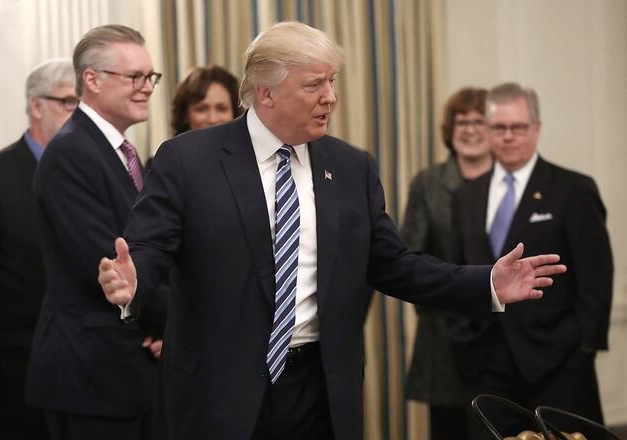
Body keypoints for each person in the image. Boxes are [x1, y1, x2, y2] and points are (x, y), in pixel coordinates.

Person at [98, 22, 566, 440]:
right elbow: (151, 245)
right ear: (266, 93)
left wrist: (483, 282)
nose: (331, 97)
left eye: (333, 81)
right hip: (218, 389)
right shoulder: (189, 159)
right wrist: (133, 279)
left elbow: (393, 264)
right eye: (314, 84)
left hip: (319, 389)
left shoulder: (350, 167)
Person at [24, 25, 168, 440]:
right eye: (135, 77)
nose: (146, 88)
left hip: (124, 372)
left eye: (150, 78)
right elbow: (111, 266)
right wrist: (178, 326)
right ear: (92, 79)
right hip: (90, 377)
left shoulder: (117, 149)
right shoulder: (72, 152)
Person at [452, 82, 613, 437]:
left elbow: (597, 279)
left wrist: (583, 349)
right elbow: (458, 270)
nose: (508, 136)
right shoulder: (466, 196)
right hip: (484, 364)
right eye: (499, 128)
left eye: (518, 127)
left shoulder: (573, 189)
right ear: (488, 131)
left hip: (558, 364)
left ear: (536, 129)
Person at [0, 59, 76, 440]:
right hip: (13, 381)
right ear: (37, 106)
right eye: (69, 103)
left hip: (84, 374)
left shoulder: (88, 175)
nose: (79, 115)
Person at [401, 87, 491, 439]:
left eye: (479, 121)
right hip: (443, 337)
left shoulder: (512, 180)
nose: (469, 129)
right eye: (461, 121)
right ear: (449, 129)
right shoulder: (428, 183)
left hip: (505, 335)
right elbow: (409, 256)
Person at [170, 65, 242, 135]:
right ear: (185, 115)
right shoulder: (170, 146)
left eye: (222, 109)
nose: (212, 120)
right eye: (201, 109)